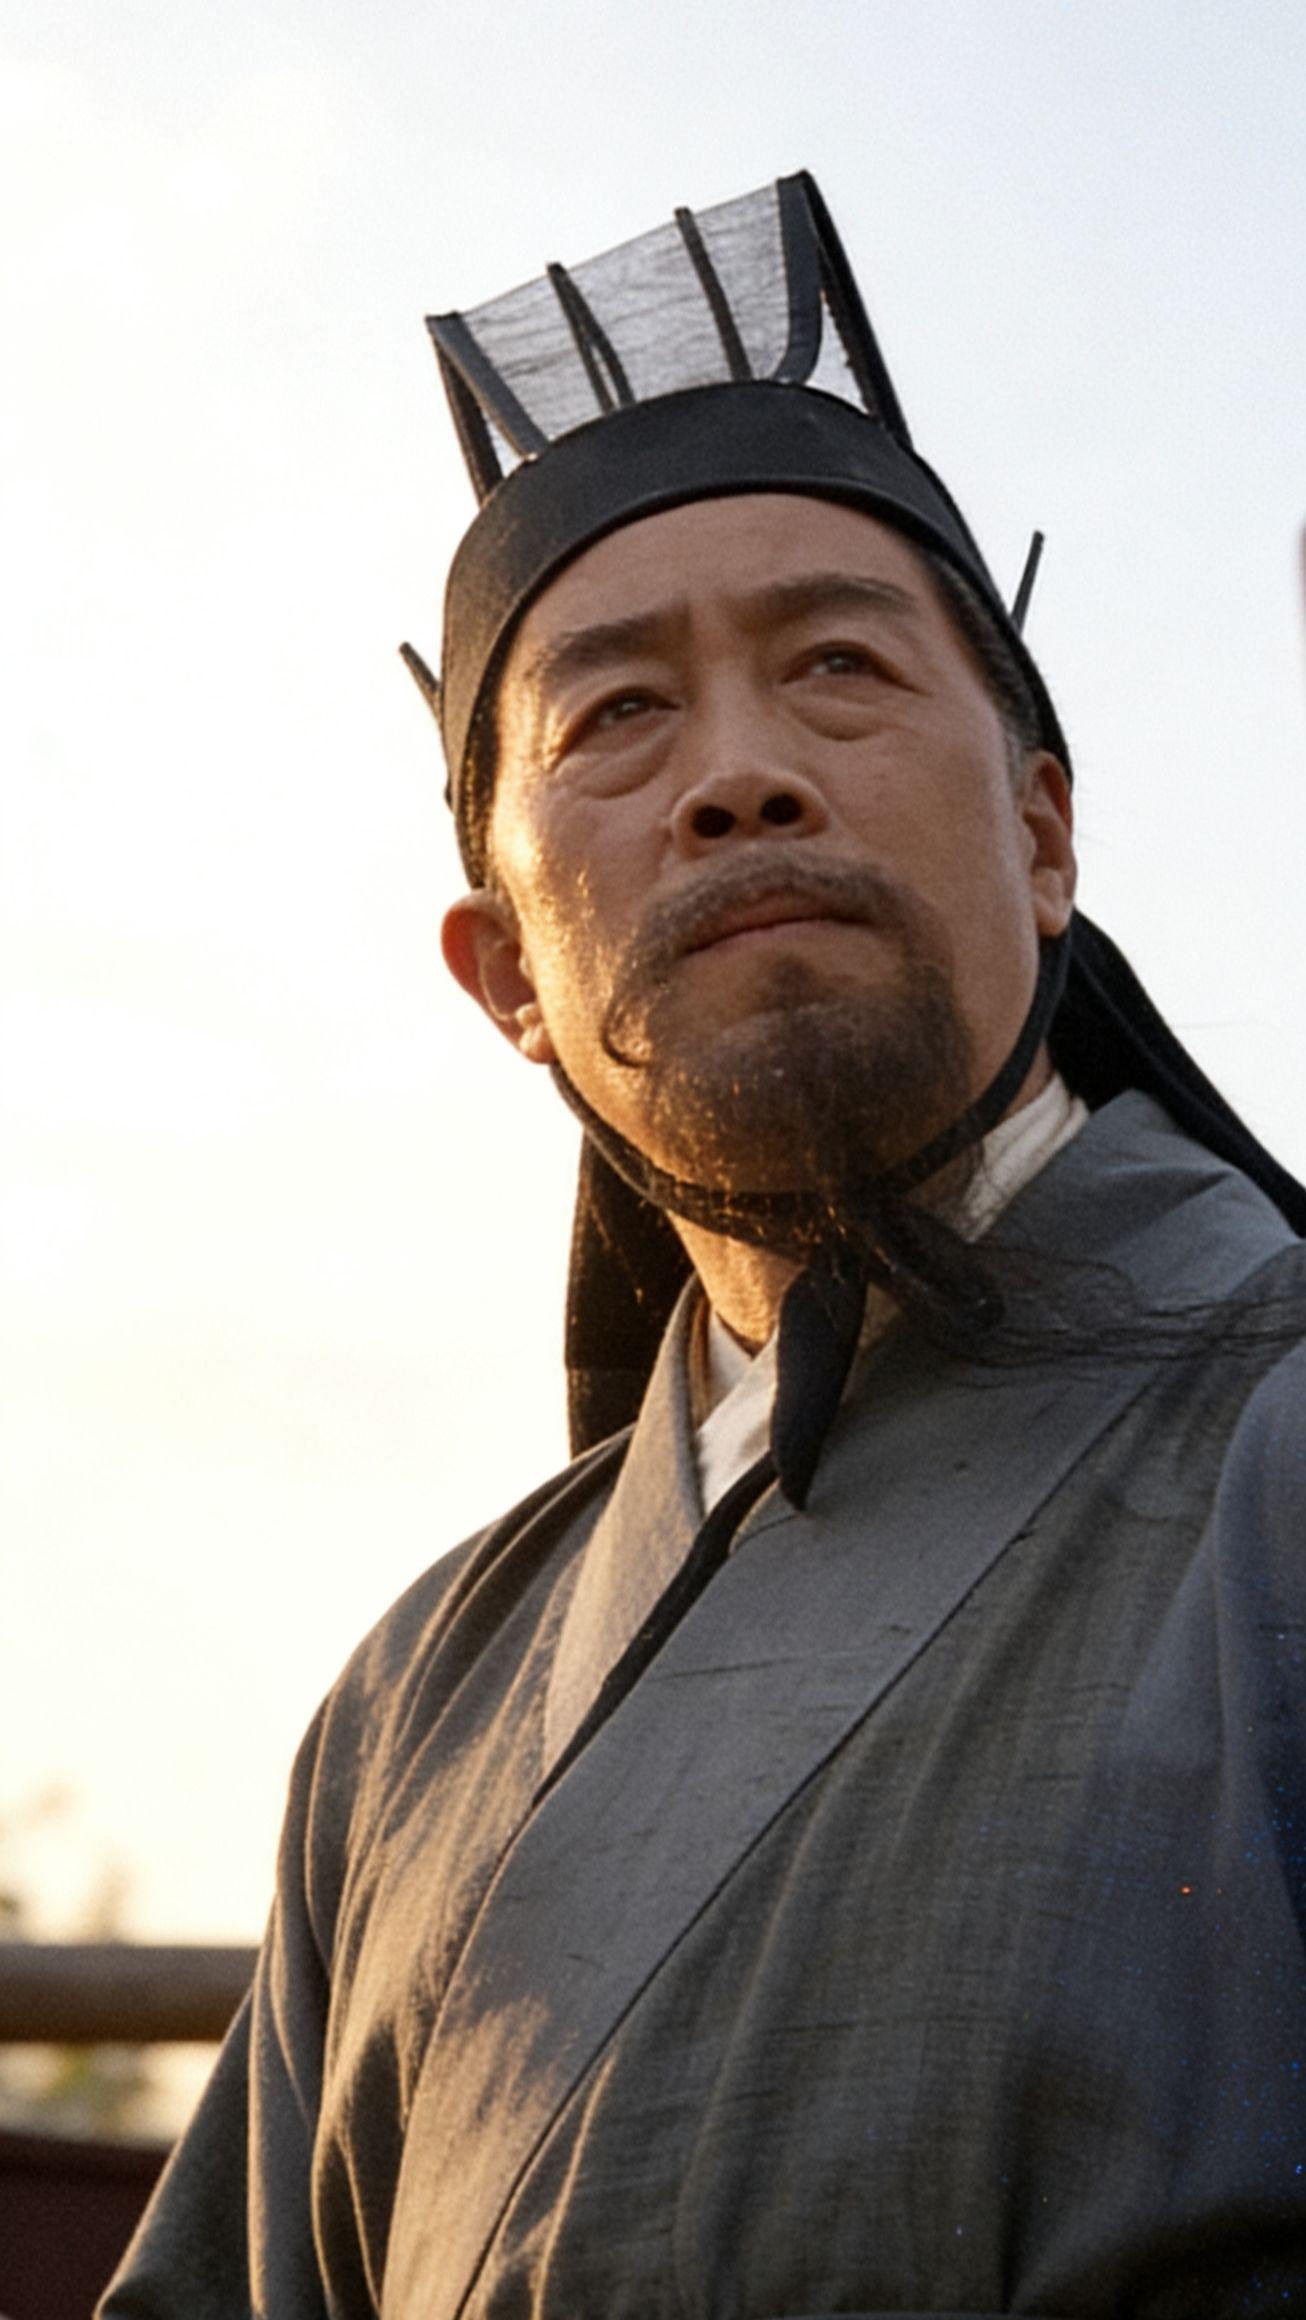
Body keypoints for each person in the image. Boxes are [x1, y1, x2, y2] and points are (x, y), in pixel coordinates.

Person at [101, 174, 1306, 2319]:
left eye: (836, 665)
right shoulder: (410, 1705)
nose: (738, 774)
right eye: (613, 717)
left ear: (1043, 834)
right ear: (506, 976)